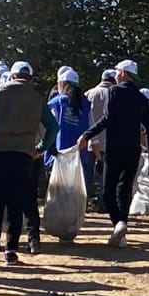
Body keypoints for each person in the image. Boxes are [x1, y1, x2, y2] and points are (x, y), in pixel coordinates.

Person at [0, 61, 57, 262]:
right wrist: (41, 148)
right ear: (31, 79)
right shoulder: (37, 98)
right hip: (23, 155)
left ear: (12, 76)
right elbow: (53, 127)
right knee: (15, 202)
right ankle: (11, 250)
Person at [77, 59, 149, 247]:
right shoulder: (141, 98)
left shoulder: (114, 92)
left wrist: (87, 135)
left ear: (123, 73)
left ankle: (119, 224)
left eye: (118, 71)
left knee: (107, 191)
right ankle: (122, 232)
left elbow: (107, 119)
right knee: (124, 190)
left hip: (114, 147)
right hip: (133, 149)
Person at [48, 67, 95, 200]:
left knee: (58, 190)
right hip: (80, 154)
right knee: (76, 191)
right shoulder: (86, 105)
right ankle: (74, 216)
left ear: (62, 84)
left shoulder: (56, 103)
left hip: (59, 153)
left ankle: (58, 216)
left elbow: (48, 127)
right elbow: (92, 129)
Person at [85, 68, 116, 195]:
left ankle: (83, 204)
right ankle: (104, 206)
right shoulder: (114, 94)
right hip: (109, 142)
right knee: (106, 178)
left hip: (87, 141)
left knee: (86, 176)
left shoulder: (88, 94)